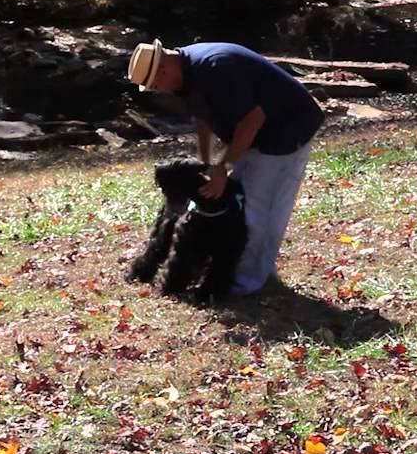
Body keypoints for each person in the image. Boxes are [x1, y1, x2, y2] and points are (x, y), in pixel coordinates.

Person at [127, 39, 324, 295]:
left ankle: (247, 283)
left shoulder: (217, 67)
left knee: (259, 210)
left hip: (284, 133)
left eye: (155, 85)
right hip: (253, 135)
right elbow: (202, 118)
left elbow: (253, 119)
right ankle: (248, 273)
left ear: (164, 69)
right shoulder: (187, 74)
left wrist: (224, 166)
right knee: (239, 202)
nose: (160, 91)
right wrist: (206, 161)